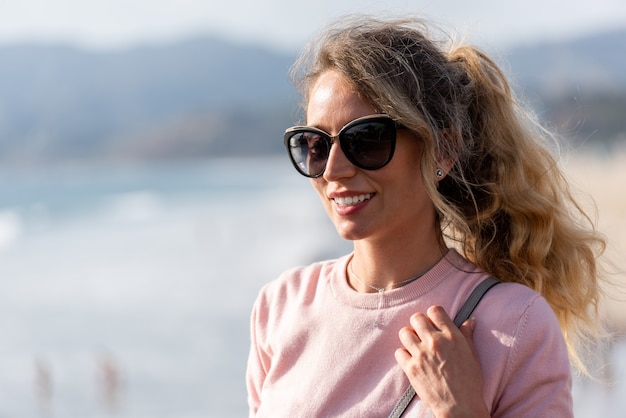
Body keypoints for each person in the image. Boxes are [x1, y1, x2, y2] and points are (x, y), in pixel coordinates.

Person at [246, 16, 606, 417]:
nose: (334, 169)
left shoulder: (513, 323)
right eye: (314, 145)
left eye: (365, 139)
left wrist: (461, 409)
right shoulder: (280, 306)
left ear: (442, 151)